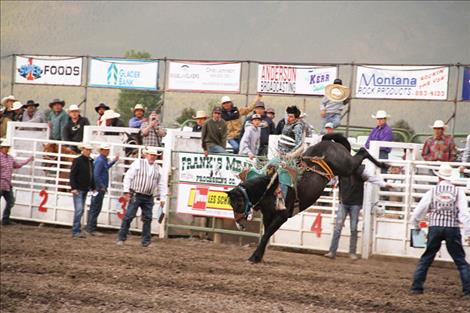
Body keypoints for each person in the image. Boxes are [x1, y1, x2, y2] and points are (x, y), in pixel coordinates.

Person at [410, 164, 470, 296]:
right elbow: (464, 213)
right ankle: (468, 290)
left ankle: (416, 287)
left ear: (439, 177)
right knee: (460, 259)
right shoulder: (458, 191)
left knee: (427, 257)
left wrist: (416, 224)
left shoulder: (432, 191)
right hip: (452, 227)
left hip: (435, 226)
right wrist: (468, 232)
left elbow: (419, 210)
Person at [324, 164, 388, 260]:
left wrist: (384, 184)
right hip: (348, 202)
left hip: (351, 203)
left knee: (346, 227)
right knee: (347, 227)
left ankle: (338, 251)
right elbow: (332, 180)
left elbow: (371, 178)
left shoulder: (353, 170)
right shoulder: (353, 170)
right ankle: (340, 252)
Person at [117, 146, 168, 247]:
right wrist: (126, 191)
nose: (153, 157)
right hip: (136, 193)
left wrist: (163, 198)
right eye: (151, 155)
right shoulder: (138, 163)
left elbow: (162, 184)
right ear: (146, 155)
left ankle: (145, 241)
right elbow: (128, 177)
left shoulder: (158, 168)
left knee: (147, 218)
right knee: (129, 216)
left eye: (154, 155)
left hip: (149, 196)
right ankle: (121, 238)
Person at [85, 143, 119, 236]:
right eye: (106, 150)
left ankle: (90, 227)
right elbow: (96, 175)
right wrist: (101, 186)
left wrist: (113, 161)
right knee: (95, 207)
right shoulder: (100, 160)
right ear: (102, 150)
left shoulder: (101, 160)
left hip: (98, 187)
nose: (107, 151)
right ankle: (91, 228)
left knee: (95, 207)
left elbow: (104, 168)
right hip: (98, 188)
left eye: (107, 150)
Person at [276, 105, 304, 209]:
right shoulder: (288, 124)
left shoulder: (297, 127)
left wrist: (290, 155)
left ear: (296, 118)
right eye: (288, 116)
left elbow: (299, 143)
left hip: (289, 156)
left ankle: (281, 201)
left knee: (284, 175)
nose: (289, 118)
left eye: (291, 116)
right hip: (280, 154)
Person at [0, 140, 33, 225]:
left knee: (10, 201)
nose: (7, 149)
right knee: (10, 201)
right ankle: (5, 219)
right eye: (5, 148)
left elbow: (17, 165)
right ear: (1, 148)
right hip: (1, 183)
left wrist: (28, 160)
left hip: (7, 184)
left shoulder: (10, 158)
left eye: (8, 148)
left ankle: (5, 220)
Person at [69, 143, 95, 239]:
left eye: (89, 150)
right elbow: (72, 174)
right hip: (79, 189)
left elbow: (91, 175)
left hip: (84, 188)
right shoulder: (79, 160)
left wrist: (92, 186)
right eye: (87, 150)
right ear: (83, 150)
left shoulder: (89, 161)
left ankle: (77, 230)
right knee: (79, 210)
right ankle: (75, 231)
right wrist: (73, 188)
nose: (89, 151)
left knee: (80, 210)